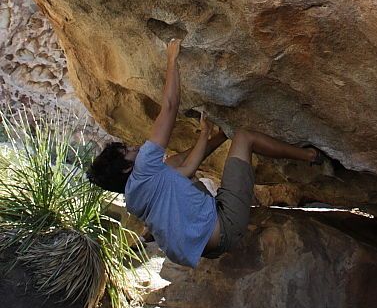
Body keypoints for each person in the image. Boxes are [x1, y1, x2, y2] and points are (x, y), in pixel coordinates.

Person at [87, 38, 326, 268]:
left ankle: (225, 144)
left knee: (174, 168)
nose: (135, 147)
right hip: (224, 226)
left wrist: (218, 136)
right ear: (127, 168)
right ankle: (310, 156)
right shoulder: (145, 166)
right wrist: (172, 59)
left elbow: (185, 163)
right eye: (127, 151)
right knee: (244, 137)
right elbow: (169, 107)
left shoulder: (135, 197)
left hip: (206, 247)